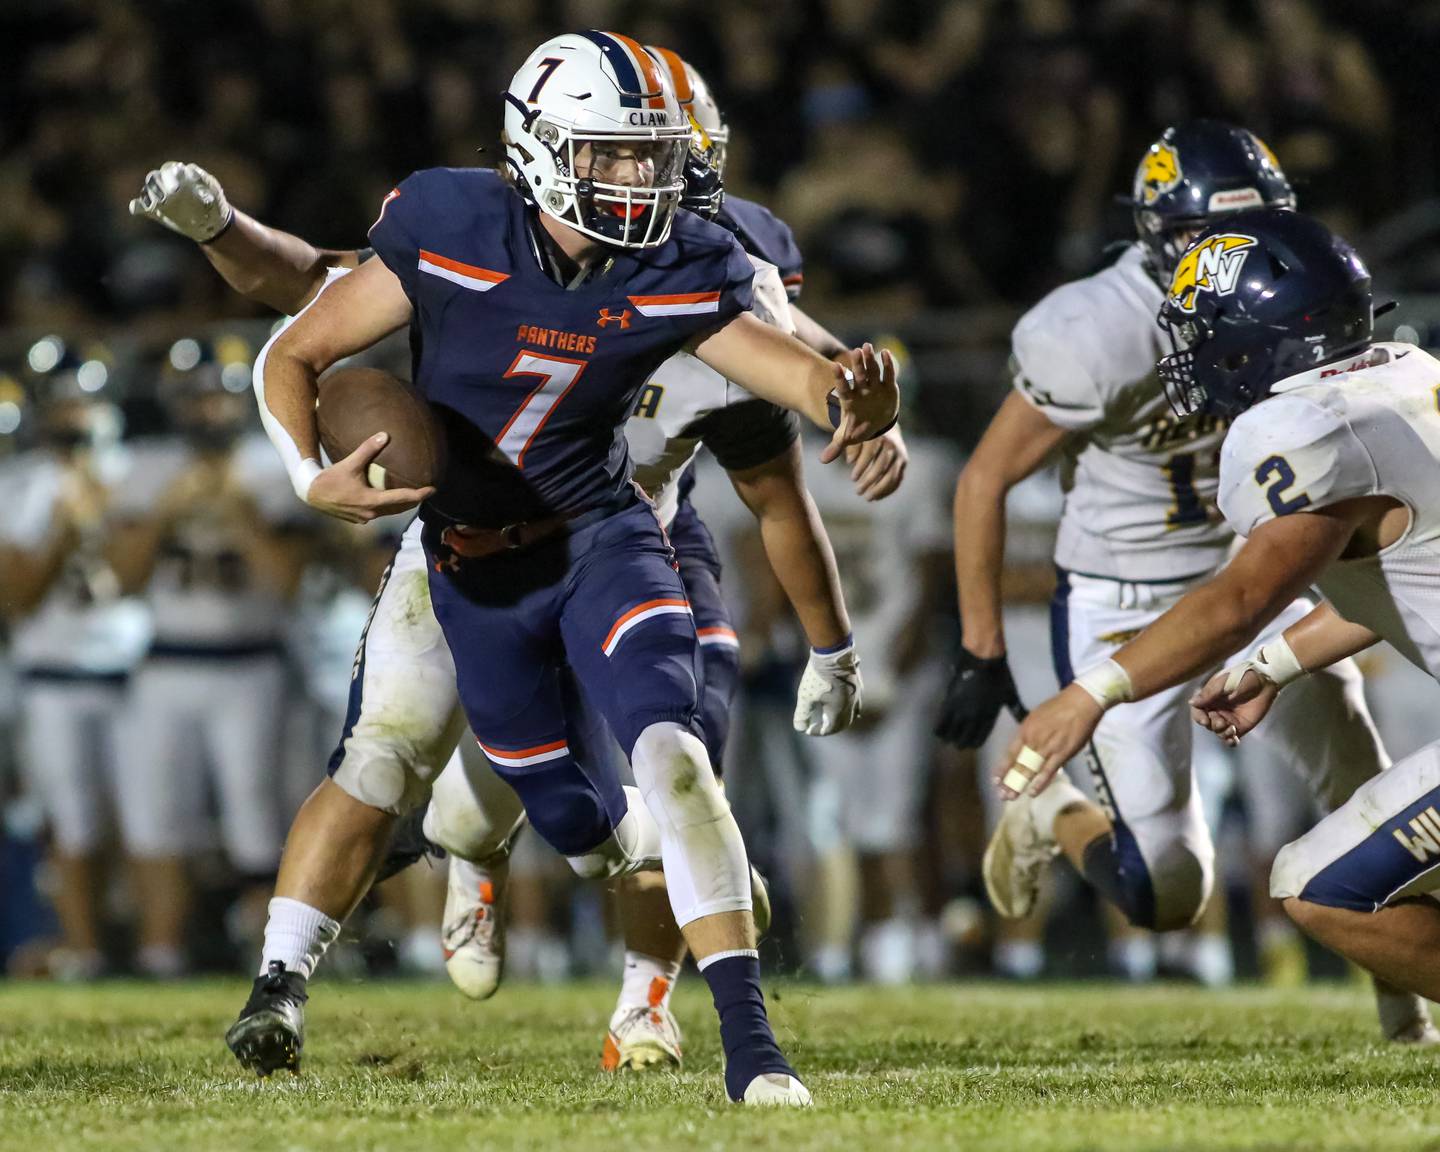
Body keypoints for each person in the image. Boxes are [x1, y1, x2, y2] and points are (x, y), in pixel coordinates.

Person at [130, 43, 900, 1076]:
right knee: (429, 768)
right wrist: (231, 258)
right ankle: (313, 962)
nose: (653, 182)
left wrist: (856, 404)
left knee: (674, 762)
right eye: (624, 157)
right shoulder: (455, 227)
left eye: (663, 157)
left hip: (616, 535)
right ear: (545, 149)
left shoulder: (698, 264)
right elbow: (311, 300)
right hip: (460, 542)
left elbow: (792, 368)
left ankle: (668, 1009)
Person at [938, 122, 1432, 1042]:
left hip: (1262, 577)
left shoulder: (1292, 379)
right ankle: (1056, 811)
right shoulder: (1094, 329)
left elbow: (1247, 593)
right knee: (1166, 893)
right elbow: (984, 477)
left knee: (1350, 792)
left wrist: (1108, 690)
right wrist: (981, 647)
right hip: (1133, 594)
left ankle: (1405, 1015)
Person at [108, 338, 313, 975]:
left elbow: (287, 580)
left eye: (218, 396)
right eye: (195, 396)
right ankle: (161, 956)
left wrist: (241, 515)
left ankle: (270, 966)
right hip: (166, 662)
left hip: (252, 662)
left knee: (258, 818)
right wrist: (168, 510)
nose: (207, 410)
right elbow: (123, 577)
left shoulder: (268, 463)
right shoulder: (147, 468)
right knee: (156, 818)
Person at [0, 340, 151, 979]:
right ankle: (86, 951)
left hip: (138, 665)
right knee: (73, 826)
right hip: (53, 670)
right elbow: (17, 598)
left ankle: (155, 951)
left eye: (77, 398)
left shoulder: (136, 470)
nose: (69, 413)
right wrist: (66, 529)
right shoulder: (18, 484)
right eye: (57, 400)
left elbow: (139, 576)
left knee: (147, 822)